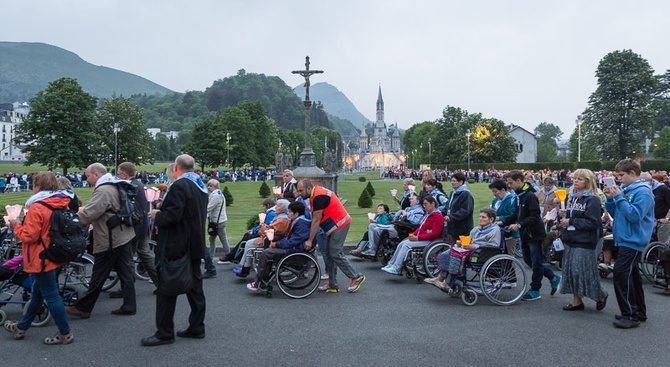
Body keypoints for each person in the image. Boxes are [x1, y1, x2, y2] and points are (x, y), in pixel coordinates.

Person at [141, 154, 209, 346]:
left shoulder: (179, 185)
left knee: (166, 289)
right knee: (195, 288)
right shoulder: (199, 185)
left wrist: (157, 214)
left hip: (177, 244)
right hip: (194, 243)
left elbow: (173, 216)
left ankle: (164, 332)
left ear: (177, 168)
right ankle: (197, 326)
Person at [3, 172, 74, 345]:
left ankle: (65, 333)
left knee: (50, 295)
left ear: (38, 187)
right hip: (55, 253)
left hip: (40, 257)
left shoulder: (37, 206)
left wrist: (16, 226)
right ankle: (21, 328)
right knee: (37, 294)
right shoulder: (60, 203)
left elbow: (30, 236)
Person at [66, 163, 136, 319]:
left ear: (96, 175)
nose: (87, 178)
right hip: (123, 235)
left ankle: (84, 308)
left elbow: (89, 213)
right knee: (125, 273)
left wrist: (69, 220)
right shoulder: (114, 184)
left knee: (99, 274)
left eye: (89, 175)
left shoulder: (104, 190)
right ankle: (129, 305)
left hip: (110, 239)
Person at [604, 159, 654, 329]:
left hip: (633, 240)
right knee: (632, 276)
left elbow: (635, 216)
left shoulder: (644, 192)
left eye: (622, 175)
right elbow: (616, 212)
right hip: (625, 238)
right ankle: (638, 311)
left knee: (621, 275)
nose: (619, 179)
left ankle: (630, 314)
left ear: (633, 173)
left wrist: (619, 197)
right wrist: (611, 199)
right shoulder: (626, 190)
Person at [297, 179, 366, 293]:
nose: (299, 193)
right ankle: (333, 284)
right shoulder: (315, 194)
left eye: (301, 190)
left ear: (309, 188)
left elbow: (316, 219)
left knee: (335, 252)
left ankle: (356, 276)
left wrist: (309, 240)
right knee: (329, 254)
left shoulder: (318, 196)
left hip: (339, 224)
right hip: (334, 225)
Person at [501, 170, 560, 301]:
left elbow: (535, 216)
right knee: (529, 261)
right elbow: (516, 214)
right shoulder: (519, 195)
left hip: (535, 234)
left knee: (537, 262)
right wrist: (502, 221)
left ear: (518, 181)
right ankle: (552, 277)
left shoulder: (529, 196)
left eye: (510, 183)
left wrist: (519, 225)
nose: (509, 185)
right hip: (526, 234)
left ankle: (535, 289)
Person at [557, 169, 608, 312]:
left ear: (588, 181)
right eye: (575, 178)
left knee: (582, 271)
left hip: (584, 241)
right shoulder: (572, 197)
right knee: (571, 271)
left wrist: (571, 221)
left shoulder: (592, 200)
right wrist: (564, 214)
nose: (575, 181)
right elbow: (573, 216)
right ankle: (577, 301)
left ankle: (601, 294)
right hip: (570, 239)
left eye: (580, 179)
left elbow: (593, 223)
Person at [425, 207, 501, 291]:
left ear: (491, 219)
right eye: (480, 216)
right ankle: (440, 278)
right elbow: (470, 238)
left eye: (483, 217)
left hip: (481, 253)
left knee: (455, 256)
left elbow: (494, 246)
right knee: (447, 253)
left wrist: (475, 246)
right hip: (471, 249)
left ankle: (448, 283)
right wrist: (461, 242)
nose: (480, 219)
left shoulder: (495, 231)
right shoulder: (477, 229)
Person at [247, 201, 311, 291]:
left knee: (267, 253)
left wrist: (276, 244)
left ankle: (259, 282)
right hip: (293, 249)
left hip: (294, 251)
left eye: (290, 212)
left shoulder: (301, 224)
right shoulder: (297, 221)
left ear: (296, 213)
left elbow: (292, 241)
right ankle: (263, 281)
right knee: (269, 252)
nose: (288, 213)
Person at [116, 162, 158, 288]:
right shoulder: (138, 184)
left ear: (123, 174)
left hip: (133, 228)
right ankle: (162, 283)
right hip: (142, 226)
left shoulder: (130, 187)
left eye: (118, 174)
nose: (117, 176)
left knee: (128, 259)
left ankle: (127, 287)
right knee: (146, 254)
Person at [382, 196, 443, 275]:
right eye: (423, 204)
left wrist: (418, 238)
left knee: (406, 245)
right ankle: (391, 264)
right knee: (402, 243)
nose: (424, 206)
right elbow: (420, 228)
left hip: (430, 241)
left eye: (426, 204)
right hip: (422, 238)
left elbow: (434, 234)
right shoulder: (427, 215)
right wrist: (413, 235)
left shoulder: (438, 217)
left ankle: (396, 268)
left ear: (433, 204)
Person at [233, 199, 291, 278]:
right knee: (248, 241)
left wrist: (262, 227)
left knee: (249, 243)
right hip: (270, 238)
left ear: (282, 209)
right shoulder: (280, 218)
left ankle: (245, 268)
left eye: (277, 206)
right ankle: (245, 267)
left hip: (270, 240)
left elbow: (266, 231)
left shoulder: (281, 220)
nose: (275, 208)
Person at [219, 198, 275, 264]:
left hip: (264, 234)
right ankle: (235, 256)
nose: (263, 208)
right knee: (246, 236)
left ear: (267, 205)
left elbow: (265, 226)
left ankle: (232, 255)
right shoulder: (271, 213)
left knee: (247, 238)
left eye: (263, 206)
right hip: (264, 232)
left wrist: (253, 231)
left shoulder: (271, 214)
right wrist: (253, 230)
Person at [202, 179, 230, 278]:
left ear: (215, 186)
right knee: (213, 238)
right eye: (208, 185)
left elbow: (209, 207)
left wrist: (201, 213)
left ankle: (227, 255)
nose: (209, 187)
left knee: (221, 238)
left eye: (211, 186)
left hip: (218, 221)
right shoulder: (218, 194)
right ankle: (212, 255)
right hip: (218, 220)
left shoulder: (216, 195)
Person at [489, 179, 519, 256]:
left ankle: (513, 268)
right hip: (498, 230)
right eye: (492, 191)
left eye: (495, 191)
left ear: (503, 190)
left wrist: (498, 218)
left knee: (509, 255)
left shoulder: (511, 200)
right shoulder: (495, 201)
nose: (494, 194)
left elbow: (513, 215)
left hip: (510, 232)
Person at [443, 172, 474, 244]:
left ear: (460, 182)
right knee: (454, 248)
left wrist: (451, 217)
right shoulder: (453, 193)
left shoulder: (466, 194)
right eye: (451, 181)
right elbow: (448, 207)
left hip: (462, 228)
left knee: (463, 249)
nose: (452, 183)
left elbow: (464, 211)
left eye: (454, 181)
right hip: (453, 227)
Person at [641, 172, 670, 244]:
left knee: (663, 243)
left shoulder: (663, 189)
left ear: (650, 181)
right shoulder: (642, 190)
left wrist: (667, 218)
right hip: (648, 221)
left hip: (661, 221)